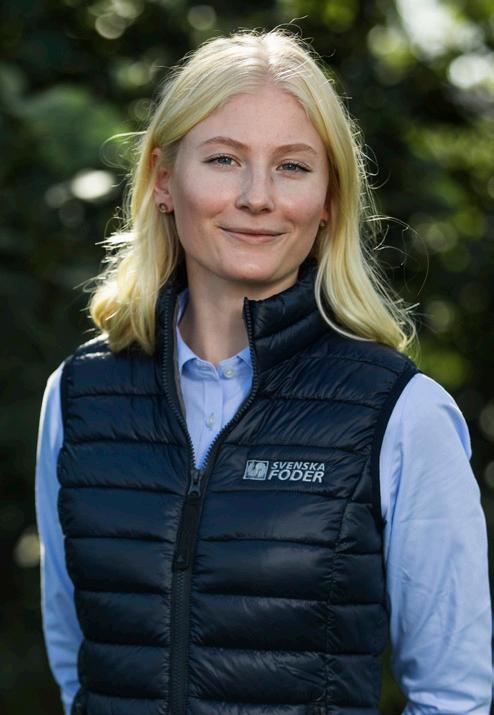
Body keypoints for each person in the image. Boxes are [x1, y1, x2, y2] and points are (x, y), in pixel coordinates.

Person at [35, 28, 491, 715]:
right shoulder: (79, 395)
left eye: (292, 167)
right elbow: (80, 664)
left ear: (329, 198)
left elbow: (454, 697)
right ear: (163, 179)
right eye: (224, 159)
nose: (257, 196)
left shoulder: (402, 413)